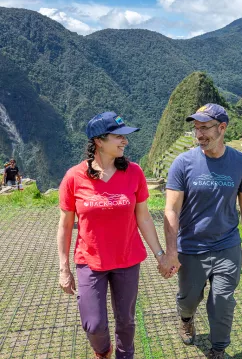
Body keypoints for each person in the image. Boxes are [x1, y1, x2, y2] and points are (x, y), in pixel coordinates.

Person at [57, 111, 179, 359]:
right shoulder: (74, 177)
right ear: (99, 141)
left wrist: (161, 255)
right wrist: (63, 268)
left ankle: (126, 355)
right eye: (118, 136)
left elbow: (143, 217)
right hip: (90, 261)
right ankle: (103, 351)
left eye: (125, 137)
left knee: (126, 320)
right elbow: (65, 225)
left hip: (127, 259)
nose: (125, 141)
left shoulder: (134, 173)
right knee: (93, 323)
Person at [164, 103, 242, 359]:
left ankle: (218, 349)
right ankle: (186, 317)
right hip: (192, 246)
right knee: (189, 298)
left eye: (205, 128)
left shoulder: (240, 162)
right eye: (196, 128)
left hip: (227, 245)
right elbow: (171, 209)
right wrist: (171, 251)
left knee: (222, 301)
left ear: (222, 128)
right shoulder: (183, 163)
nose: (199, 134)